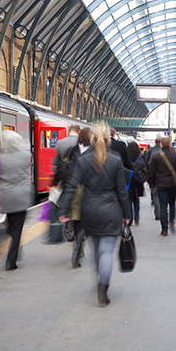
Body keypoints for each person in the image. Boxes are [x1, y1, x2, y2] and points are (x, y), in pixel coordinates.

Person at [58, 123, 131, 307]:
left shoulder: (83, 160)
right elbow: (122, 191)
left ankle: (98, 275)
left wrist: (63, 209)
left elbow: (71, 185)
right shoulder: (115, 160)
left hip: (89, 210)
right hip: (111, 210)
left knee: (95, 248)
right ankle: (103, 287)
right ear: (108, 140)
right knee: (106, 250)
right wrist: (127, 213)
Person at [0, 130, 32, 271]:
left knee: (11, 227)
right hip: (22, 197)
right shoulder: (26, 155)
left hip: (6, 197)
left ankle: (14, 244)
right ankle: (11, 260)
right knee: (17, 229)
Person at [65, 127, 93, 269]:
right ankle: (78, 251)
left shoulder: (72, 150)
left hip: (74, 190)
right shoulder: (94, 151)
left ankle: (77, 248)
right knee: (83, 223)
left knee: (77, 221)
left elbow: (64, 169)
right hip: (87, 191)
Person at [148, 137, 176, 236]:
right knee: (172, 203)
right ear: (169, 144)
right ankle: (172, 220)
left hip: (160, 183)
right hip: (173, 184)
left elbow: (152, 171)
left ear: (161, 144)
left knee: (163, 205)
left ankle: (164, 229)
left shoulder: (156, 156)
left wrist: (152, 184)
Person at [144, 136, 163, 220]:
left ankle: (157, 211)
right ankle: (161, 212)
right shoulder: (164, 151)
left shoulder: (150, 150)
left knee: (154, 193)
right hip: (163, 177)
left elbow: (146, 162)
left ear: (155, 142)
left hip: (153, 174)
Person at [128, 141, 147, 225]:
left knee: (129, 199)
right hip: (138, 180)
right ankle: (137, 216)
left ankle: (130, 219)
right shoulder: (140, 157)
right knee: (136, 199)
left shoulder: (127, 157)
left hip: (129, 180)